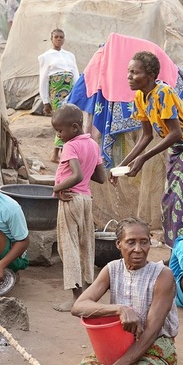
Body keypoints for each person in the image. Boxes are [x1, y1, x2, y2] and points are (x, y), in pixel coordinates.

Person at [48, 218, 179, 365]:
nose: (138, 249)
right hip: (118, 345)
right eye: (131, 242)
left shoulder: (162, 275)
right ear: (119, 244)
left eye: (144, 242)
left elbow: (151, 332)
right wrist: (119, 309)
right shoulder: (112, 269)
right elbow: (79, 306)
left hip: (155, 350)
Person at [110, 51, 183, 248]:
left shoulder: (163, 93)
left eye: (135, 72)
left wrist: (143, 159)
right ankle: (179, 246)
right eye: (128, 72)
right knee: (171, 198)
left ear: (151, 75)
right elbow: (147, 136)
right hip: (179, 147)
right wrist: (122, 165)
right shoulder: (140, 97)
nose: (129, 76)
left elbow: (176, 133)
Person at [51, 104, 107, 312]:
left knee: (69, 247)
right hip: (86, 200)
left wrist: (56, 188)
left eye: (60, 131)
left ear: (74, 127)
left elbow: (76, 175)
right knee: (85, 246)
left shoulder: (71, 146)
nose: (59, 135)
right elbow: (100, 177)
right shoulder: (92, 144)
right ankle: (88, 294)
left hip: (70, 199)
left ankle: (76, 298)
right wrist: (87, 165)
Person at [38, 28, 80, 163]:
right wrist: (45, 100)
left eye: (61, 37)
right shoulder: (45, 57)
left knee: (70, 119)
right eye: (56, 37)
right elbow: (43, 79)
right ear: (51, 39)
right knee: (62, 120)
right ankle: (56, 154)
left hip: (70, 89)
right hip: (56, 90)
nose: (59, 39)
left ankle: (63, 152)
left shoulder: (70, 55)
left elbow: (75, 75)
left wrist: (78, 91)